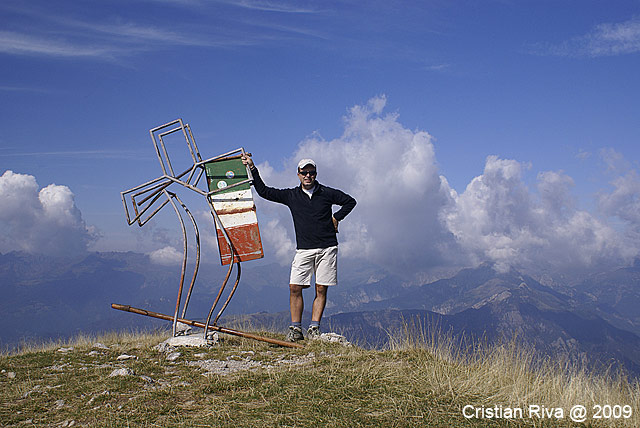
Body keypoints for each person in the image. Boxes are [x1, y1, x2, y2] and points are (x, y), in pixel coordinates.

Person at [241, 154, 356, 342]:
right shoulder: (291, 195)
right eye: (304, 172)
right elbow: (264, 191)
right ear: (298, 174)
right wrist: (253, 169)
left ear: (316, 174)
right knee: (295, 287)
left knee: (321, 289)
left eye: (311, 172)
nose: (308, 176)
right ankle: (296, 329)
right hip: (304, 249)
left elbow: (350, 201)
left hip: (327, 247)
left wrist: (336, 217)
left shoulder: (326, 193)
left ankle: (314, 328)